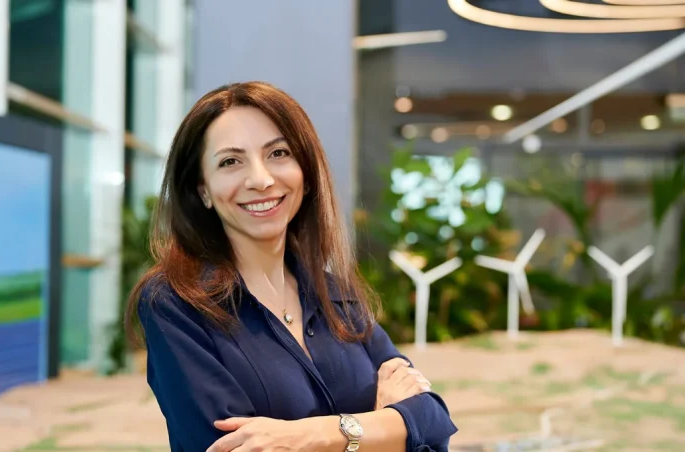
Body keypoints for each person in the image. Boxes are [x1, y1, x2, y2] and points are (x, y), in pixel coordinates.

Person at [124, 81, 458, 451]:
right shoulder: (176, 302)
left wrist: (311, 436)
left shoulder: (335, 294)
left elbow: (433, 424)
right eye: (230, 161)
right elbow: (228, 447)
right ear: (203, 189)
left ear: (306, 172)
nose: (261, 180)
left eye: (278, 153)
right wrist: (385, 426)